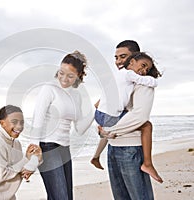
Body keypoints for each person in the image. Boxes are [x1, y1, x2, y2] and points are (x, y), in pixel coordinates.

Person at [91, 40, 163, 183]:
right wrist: (107, 132)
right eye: (116, 58)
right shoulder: (121, 81)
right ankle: (96, 156)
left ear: (134, 57)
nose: (118, 61)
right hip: (113, 147)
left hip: (130, 148)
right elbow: (100, 105)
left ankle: (147, 164)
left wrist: (108, 131)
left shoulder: (141, 82)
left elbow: (140, 116)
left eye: (123, 57)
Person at [30, 51, 94, 200]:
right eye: (61, 73)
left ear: (78, 76)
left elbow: (79, 129)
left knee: (65, 197)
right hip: (47, 147)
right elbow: (37, 120)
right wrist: (34, 154)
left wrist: (96, 111)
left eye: (70, 76)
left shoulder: (76, 95)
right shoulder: (49, 89)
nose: (64, 79)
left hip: (65, 149)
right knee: (60, 197)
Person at [0, 105, 42, 200]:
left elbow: (19, 168)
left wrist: (36, 159)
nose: (19, 126)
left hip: (8, 195)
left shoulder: (16, 143)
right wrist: (26, 159)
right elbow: (3, 175)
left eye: (22, 123)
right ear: (2, 123)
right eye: (14, 122)